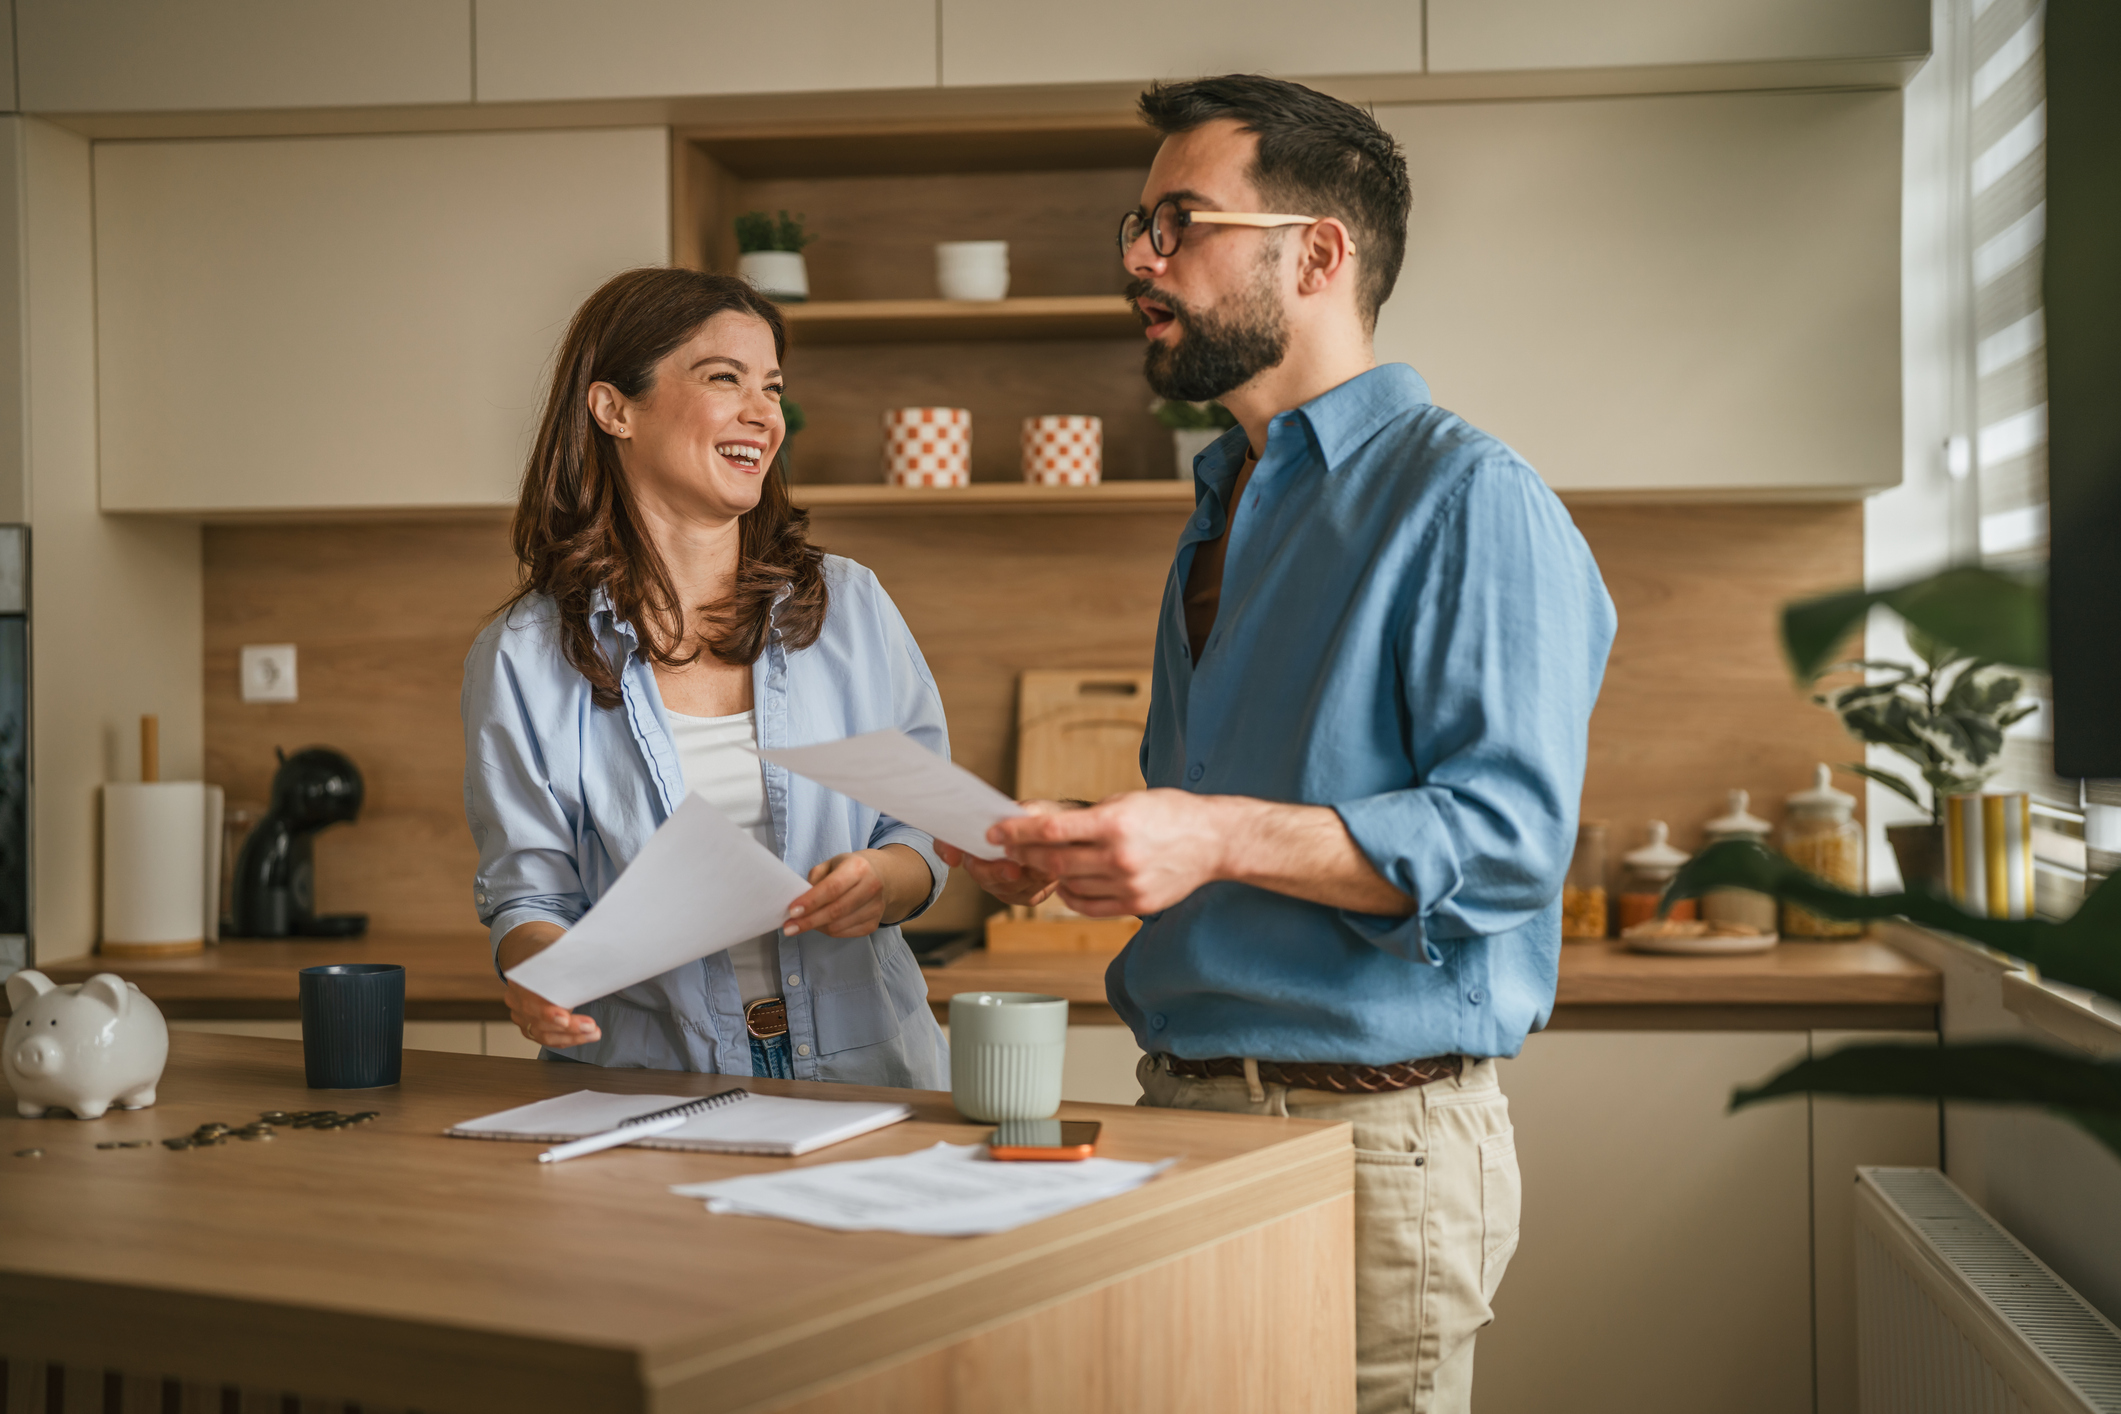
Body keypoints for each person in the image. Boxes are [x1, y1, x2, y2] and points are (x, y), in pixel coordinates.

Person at [942, 77, 1616, 1412]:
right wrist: (1101, 841)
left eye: (1179, 220)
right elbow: (1257, 812)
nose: (1140, 256)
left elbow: (1505, 846)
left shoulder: (1469, 498)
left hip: (1368, 1140)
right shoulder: (1224, 502)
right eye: (1137, 224)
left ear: (1317, 251)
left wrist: (1204, 834)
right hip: (1184, 1109)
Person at [462, 267, 950, 1085]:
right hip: (643, 1082)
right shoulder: (524, 651)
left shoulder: (852, 607)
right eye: (724, 379)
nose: (763, 414)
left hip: (870, 1078)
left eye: (772, 387)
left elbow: (920, 828)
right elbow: (530, 898)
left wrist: (882, 881)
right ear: (614, 407)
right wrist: (538, 976)